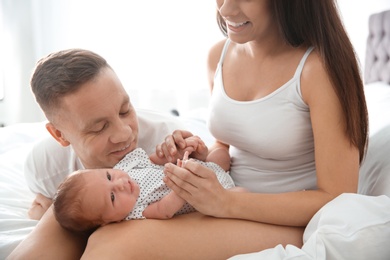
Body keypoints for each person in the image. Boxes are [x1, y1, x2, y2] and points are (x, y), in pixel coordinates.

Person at [8, 1, 368, 259]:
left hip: (279, 216)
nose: (225, 9)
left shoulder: (320, 69)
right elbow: (227, 145)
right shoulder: (221, 55)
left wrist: (227, 202)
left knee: (115, 244)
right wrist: (200, 156)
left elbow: (338, 197)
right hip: (218, 194)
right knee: (72, 208)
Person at [53, 146, 238, 232]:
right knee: (240, 195)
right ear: (107, 222)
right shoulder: (135, 212)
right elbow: (164, 210)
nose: (119, 184)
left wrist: (169, 154)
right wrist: (182, 186)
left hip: (204, 168)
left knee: (221, 155)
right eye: (112, 197)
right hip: (213, 195)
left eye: (108, 176)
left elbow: (152, 161)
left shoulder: (124, 167)